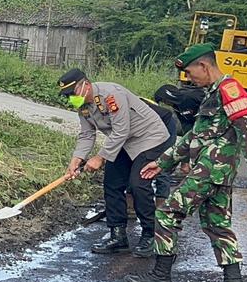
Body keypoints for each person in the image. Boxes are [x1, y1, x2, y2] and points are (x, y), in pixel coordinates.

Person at [130, 44, 247, 282]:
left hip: (211, 168)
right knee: (217, 225)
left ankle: (161, 274)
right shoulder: (211, 94)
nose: (190, 78)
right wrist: (162, 163)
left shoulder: (229, 88)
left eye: (191, 72)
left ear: (204, 66)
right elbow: (195, 136)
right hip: (214, 170)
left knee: (167, 212)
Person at [59, 68, 173, 258]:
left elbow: (121, 129)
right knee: (112, 183)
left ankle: (150, 235)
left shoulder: (111, 95)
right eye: (68, 96)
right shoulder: (83, 105)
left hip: (149, 137)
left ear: (86, 84)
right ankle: (118, 236)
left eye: (73, 93)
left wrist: (100, 157)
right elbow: (87, 134)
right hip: (124, 142)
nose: (72, 98)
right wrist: (76, 159)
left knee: (138, 184)